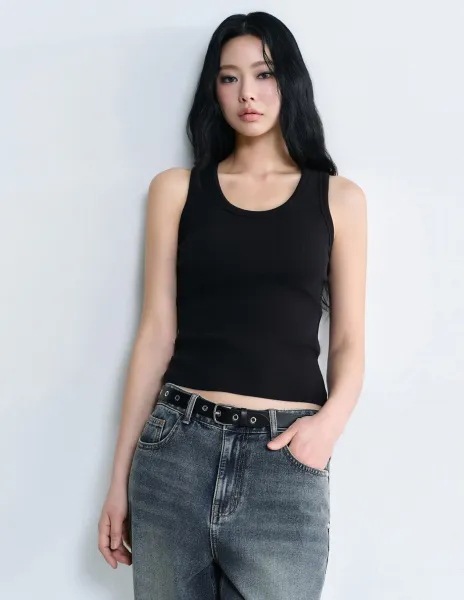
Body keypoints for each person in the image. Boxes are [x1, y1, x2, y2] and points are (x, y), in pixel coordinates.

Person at [98, 11, 367, 600]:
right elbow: (155, 334)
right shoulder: (176, 190)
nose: (247, 92)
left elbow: (348, 341)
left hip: (285, 461)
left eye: (264, 74)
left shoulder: (339, 199)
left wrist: (327, 428)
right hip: (175, 452)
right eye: (229, 77)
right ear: (213, 90)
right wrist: (117, 480)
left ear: (289, 80)